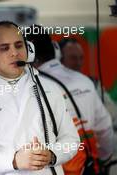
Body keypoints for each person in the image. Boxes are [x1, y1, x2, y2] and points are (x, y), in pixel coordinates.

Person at [0, 21, 79, 175]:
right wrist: (13, 161)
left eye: (19, 45)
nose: (14, 53)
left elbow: (71, 139)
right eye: (4, 48)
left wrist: (52, 155)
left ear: (29, 49)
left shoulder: (50, 88)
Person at [26, 25, 114, 175]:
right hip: (89, 166)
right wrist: (102, 159)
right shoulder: (84, 81)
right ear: (55, 49)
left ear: (28, 55)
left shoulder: (33, 88)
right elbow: (105, 129)